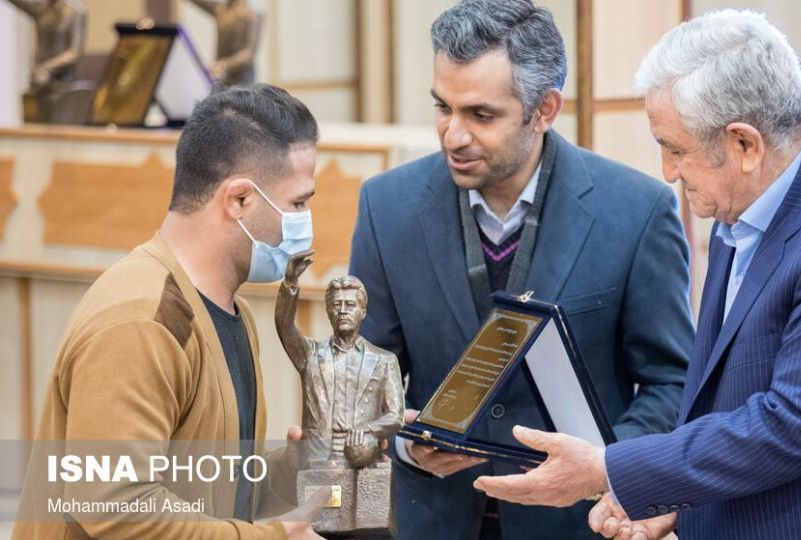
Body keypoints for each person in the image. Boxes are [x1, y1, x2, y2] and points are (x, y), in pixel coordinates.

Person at [473, 9, 801, 540]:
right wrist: (675, 501)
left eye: (675, 149)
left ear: (744, 144)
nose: (668, 173)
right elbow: (724, 402)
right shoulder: (739, 212)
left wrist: (607, 469)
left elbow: (794, 425)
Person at [348, 1, 693, 538]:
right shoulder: (386, 206)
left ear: (544, 109)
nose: (453, 135)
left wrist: (601, 466)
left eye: (480, 115)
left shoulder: (637, 210)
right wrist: (404, 443)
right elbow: (364, 381)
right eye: (443, 107)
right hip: (433, 521)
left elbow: (672, 382)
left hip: (580, 524)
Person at [14, 84, 331, 539]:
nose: (305, 219)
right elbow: (117, 505)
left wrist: (293, 469)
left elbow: (206, 487)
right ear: (239, 199)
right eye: (298, 202)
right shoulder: (140, 321)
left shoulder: (231, 312)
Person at [275, 260, 404, 469]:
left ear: (363, 312)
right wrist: (290, 282)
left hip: (363, 454)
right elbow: (284, 326)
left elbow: (396, 417)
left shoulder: (384, 361)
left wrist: (370, 430)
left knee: (368, 488)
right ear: (328, 311)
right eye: (337, 305)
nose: (343, 310)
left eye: (350, 305)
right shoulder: (310, 355)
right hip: (318, 455)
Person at [187, 0, 262, 86]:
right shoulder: (221, 9)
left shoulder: (251, 15)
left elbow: (248, 53)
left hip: (242, 78)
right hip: (221, 77)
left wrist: (224, 64)